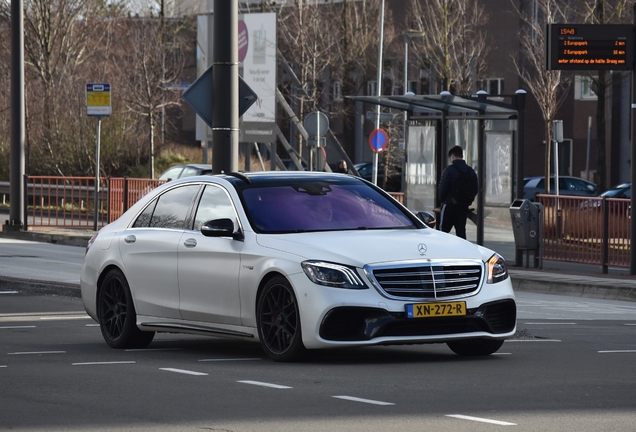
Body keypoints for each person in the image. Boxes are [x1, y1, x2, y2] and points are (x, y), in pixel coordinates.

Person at [437, 145, 478, 239]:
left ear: (452, 156)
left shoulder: (449, 170)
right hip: (463, 207)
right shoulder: (470, 171)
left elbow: (442, 189)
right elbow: (475, 189)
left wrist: (443, 201)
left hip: (449, 205)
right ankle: (463, 252)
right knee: (461, 232)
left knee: (442, 232)